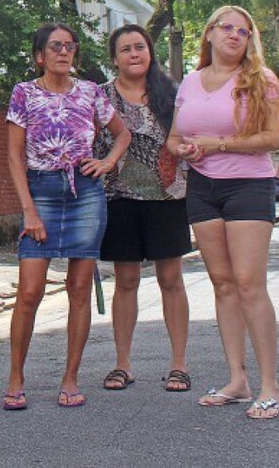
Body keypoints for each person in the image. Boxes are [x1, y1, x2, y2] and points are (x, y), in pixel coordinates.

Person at [167, 5, 279, 421]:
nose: (235, 35)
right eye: (227, 28)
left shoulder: (261, 79)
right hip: (202, 188)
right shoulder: (189, 81)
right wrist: (183, 149)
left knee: (249, 283)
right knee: (221, 283)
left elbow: (277, 137)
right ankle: (237, 380)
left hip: (248, 186)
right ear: (210, 34)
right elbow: (173, 138)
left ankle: (269, 386)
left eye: (244, 31)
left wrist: (219, 144)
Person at [5, 22, 130, 411]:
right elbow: (13, 155)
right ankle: (15, 377)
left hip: (85, 192)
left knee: (79, 289)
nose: (63, 51)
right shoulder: (24, 93)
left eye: (69, 46)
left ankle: (71, 377)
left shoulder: (91, 92)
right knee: (29, 291)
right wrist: (28, 210)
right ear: (40, 56)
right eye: (55, 46)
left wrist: (107, 162)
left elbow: (122, 134)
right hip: (40, 189)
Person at [96, 24, 191, 395]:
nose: (134, 54)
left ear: (150, 52)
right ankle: (122, 364)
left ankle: (179, 366)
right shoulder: (100, 97)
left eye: (140, 47)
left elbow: (190, 138)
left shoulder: (174, 95)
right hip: (118, 198)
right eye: (125, 49)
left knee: (171, 280)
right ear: (115, 58)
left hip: (169, 198)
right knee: (126, 281)